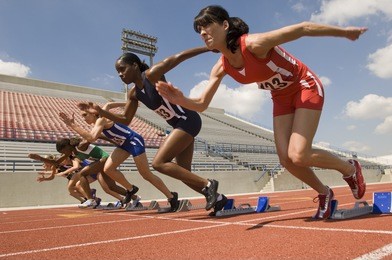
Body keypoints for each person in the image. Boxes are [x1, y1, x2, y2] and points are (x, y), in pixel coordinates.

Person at [155, 5, 367, 219]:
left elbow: (303, 28)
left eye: (206, 25)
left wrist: (344, 32)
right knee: (286, 159)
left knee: (298, 154)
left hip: (304, 85)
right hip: (280, 97)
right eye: (198, 29)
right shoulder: (221, 66)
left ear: (225, 25)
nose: (202, 32)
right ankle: (324, 192)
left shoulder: (253, 44)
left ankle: (349, 169)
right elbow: (201, 104)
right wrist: (180, 100)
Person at [79, 47, 225, 214]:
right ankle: (219, 198)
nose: (120, 74)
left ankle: (209, 184)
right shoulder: (134, 93)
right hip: (178, 125)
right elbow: (126, 120)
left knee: (159, 163)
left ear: (134, 65)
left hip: (188, 120)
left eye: (122, 69)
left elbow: (177, 57)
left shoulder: (151, 75)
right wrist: (101, 112)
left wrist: (208, 48)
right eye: (117, 72)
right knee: (184, 173)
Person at [59, 101, 180, 211]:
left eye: (85, 115)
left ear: (94, 113)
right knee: (108, 169)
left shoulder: (101, 120)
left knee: (146, 174)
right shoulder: (100, 117)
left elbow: (91, 137)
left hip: (133, 141)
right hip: (123, 145)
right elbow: (109, 104)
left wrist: (72, 125)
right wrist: (127, 103)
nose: (83, 119)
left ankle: (171, 196)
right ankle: (131, 189)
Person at [29, 137, 139, 208]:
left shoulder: (80, 146)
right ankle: (135, 199)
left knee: (81, 174)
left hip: (104, 159)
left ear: (68, 146)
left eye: (63, 151)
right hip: (99, 165)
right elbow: (56, 162)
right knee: (111, 187)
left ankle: (91, 199)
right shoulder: (71, 152)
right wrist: (39, 158)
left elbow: (91, 137)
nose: (64, 154)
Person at [36, 154, 101, 206]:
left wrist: (64, 172)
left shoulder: (68, 160)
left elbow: (75, 167)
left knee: (75, 186)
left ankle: (90, 199)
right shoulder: (55, 165)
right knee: (72, 191)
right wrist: (45, 178)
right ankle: (93, 198)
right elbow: (53, 176)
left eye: (45, 162)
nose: (45, 164)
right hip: (82, 173)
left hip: (89, 171)